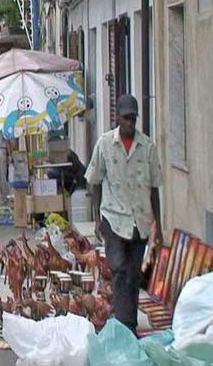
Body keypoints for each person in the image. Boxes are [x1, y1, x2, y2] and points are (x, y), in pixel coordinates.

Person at [85, 94, 162, 335]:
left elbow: (154, 188)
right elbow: (94, 182)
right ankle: (122, 323)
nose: (130, 123)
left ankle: (129, 323)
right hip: (113, 218)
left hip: (139, 221)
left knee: (133, 273)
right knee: (117, 268)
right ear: (117, 117)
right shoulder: (105, 144)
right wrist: (97, 218)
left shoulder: (147, 147)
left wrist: (158, 225)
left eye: (133, 118)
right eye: (126, 118)